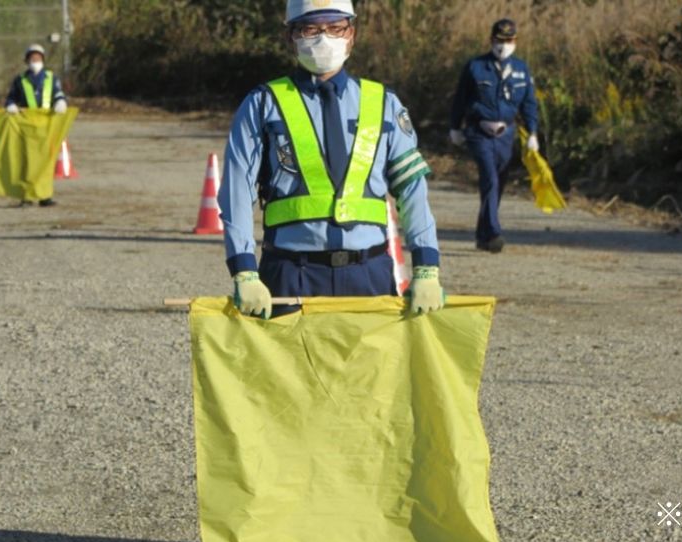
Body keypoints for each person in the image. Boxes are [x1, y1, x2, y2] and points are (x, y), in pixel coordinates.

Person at [219, 0, 444, 319]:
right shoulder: (262, 104)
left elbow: (412, 190)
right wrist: (243, 271)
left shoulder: (384, 104)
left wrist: (426, 267)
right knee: (290, 369)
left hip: (369, 275)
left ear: (351, 34)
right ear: (289, 38)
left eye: (335, 27)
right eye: (310, 29)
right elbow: (236, 193)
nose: (324, 38)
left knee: (370, 370)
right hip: (290, 276)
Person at [449, 18, 539, 253]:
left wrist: (533, 132)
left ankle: (482, 236)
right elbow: (460, 99)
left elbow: (529, 103)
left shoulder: (521, 70)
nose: (503, 45)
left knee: (497, 185)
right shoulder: (475, 67)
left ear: (515, 42)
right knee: (489, 178)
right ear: (491, 40)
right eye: (499, 41)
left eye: (508, 41)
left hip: (505, 134)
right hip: (479, 132)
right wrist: (455, 127)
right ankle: (494, 233)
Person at [4, 44, 69, 208]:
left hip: (46, 127)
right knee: (27, 162)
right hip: (26, 127)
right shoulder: (20, 80)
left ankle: (45, 196)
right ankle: (27, 196)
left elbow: (58, 93)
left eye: (38, 58)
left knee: (46, 163)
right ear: (27, 61)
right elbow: (11, 98)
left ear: (43, 60)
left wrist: (61, 101)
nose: (35, 61)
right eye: (32, 59)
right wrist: (10, 105)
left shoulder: (51, 78)